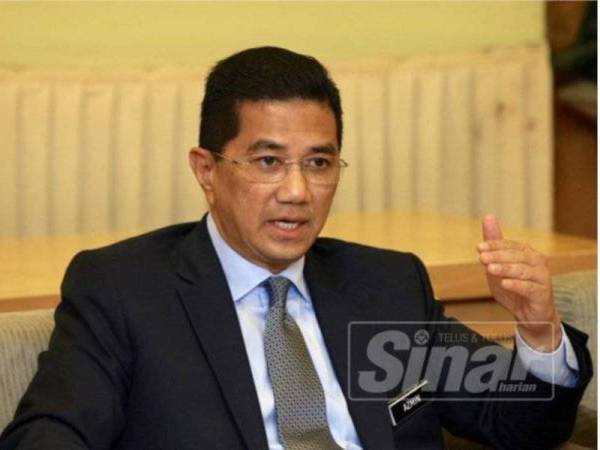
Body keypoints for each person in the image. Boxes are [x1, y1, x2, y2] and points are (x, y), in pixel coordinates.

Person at [0, 46, 591, 450]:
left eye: (319, 163)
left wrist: (540, 333)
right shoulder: (126, 290)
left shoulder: (385, 286)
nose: (297, 192)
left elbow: (520, 426)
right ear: (206, 170)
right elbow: (51, 432)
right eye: (267, 162)